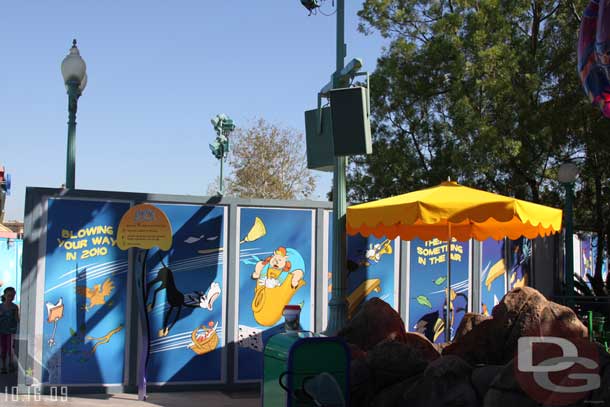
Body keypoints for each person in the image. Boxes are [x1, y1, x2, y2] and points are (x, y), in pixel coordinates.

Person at [0, 287, 19, 374]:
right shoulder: (0, 307)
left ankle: (10, 364)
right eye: (9, 295)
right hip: (2, 331)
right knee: (3, 349)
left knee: (11, 349)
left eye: (13, 296)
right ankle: (3, 365)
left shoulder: (14, 307)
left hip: (11, 331)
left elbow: (17, 319)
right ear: (5, 295)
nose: (11, 297)